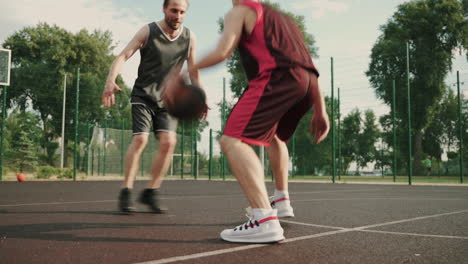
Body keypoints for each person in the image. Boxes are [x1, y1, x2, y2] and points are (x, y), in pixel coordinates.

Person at [179, 0, 329, 243]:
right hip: (306, 83)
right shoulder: (285, 20)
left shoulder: (240, 11)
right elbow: (310, 65)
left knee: (232, 140)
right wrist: (321, 110)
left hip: (277, 78)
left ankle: (264, 219)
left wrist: (183, 72)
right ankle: (280, 201)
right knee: (276, 137)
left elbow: (222, 51)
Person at [101, 0, 199, 214]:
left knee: (169, 142)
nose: (178, 15)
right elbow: (123, 55)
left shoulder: (189, 38)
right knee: (141, 139)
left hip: (168, 100)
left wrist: (199, 97)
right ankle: (126, 191)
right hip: (143, 95)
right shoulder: (148, 31)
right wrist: (110, 80)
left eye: (182, 12)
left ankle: (150, 192)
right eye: (174, 10)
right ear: (164, 9)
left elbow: (193, 70)